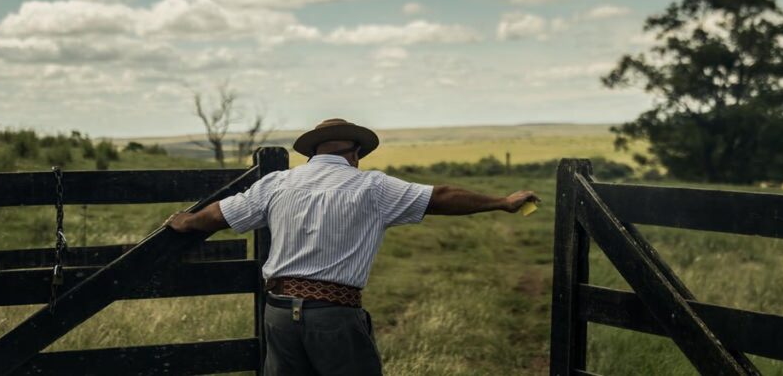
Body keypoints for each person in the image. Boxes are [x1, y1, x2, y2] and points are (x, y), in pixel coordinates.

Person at [165, 118, 541, 376]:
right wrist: (500, 201)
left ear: (312, 152)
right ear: (355, 152)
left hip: (278, 313)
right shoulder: (371, 187)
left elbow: (218, 215)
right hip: (333, 315)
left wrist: (186, 221)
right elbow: (441, 197)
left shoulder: (276, 183)